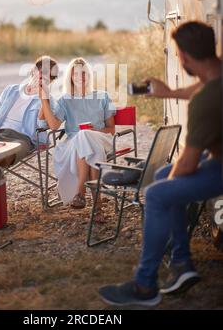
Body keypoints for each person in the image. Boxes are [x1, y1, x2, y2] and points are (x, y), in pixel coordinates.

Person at [99, 21, 222, 307]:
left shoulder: (205, 102)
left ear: (186, 57)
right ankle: (181, 263)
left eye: (179, 54)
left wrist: (167, 187)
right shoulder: (217, 75)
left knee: (158, 192)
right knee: (166, 173)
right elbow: (204, 86)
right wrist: (168, 93)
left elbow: (188, 165)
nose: (179, 59)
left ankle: (145, 286)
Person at [40, 57, 116, 222]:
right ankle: (97, 209)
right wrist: (44, 100)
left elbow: (111, 129)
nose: (80, 78)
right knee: (84, 139)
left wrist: (94, 131)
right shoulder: (65, 100)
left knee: (86, 136)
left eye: (84, 74)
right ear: (71, 77)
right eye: (76, 75)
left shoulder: (103, 97)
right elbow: (53, 126)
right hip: (75, 144)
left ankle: (80, 192)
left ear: (89, 76)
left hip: (102, 138)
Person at [0, 55, 59, 167]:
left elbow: (42, 126)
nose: (46, 77)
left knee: (11, 151)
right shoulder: (11, 90)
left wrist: (44, 99)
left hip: (22, 139)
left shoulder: (49, 101)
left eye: (50, 77)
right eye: (43, 72)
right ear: (34, 70)